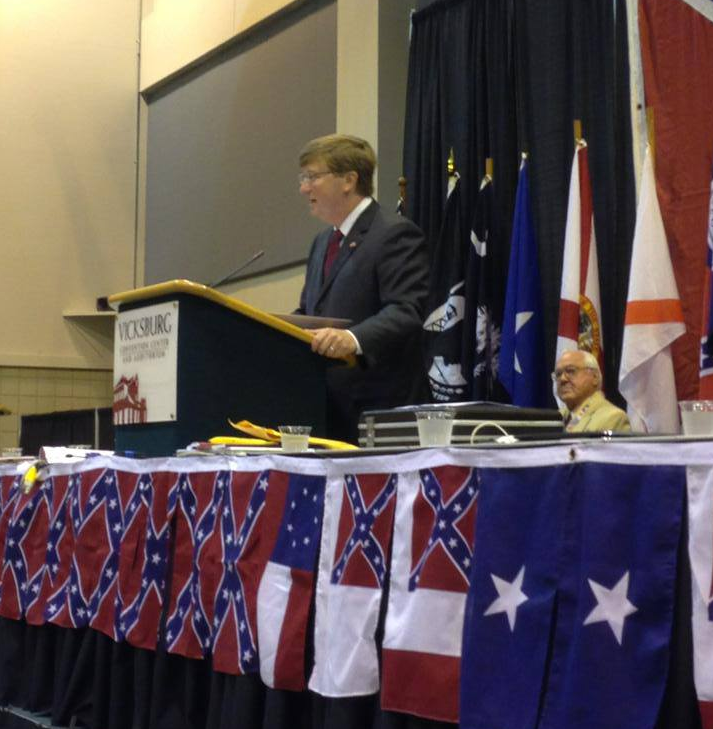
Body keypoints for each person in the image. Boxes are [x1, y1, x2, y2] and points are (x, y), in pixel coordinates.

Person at [295, 134, 429, 442]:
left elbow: (406, 310)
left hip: (381, 413)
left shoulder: (394, 233)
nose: (304, 188)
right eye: (303, 179)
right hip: (328, 410)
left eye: (312, 177)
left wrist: (352, 338)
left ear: (348, 180)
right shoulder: (321, 243)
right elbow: (309, 312)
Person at [554, 349, 631, 433]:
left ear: (595, 377)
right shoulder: (554, 418)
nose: (562, 379)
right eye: (558, 374)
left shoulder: (613, 417)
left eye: (571, 371)